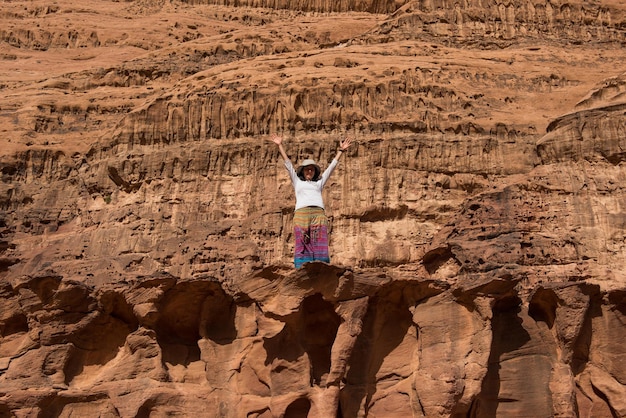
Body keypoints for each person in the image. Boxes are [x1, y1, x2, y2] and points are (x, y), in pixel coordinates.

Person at [271, 133, 353, 268]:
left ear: (315, 172)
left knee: (319, 239)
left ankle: (320, 268)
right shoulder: (297, 182)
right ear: (302, 172)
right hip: (302, 214)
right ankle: (303, 269)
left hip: (318, 214)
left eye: (312, 169)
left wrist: (341, 151)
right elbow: (288, 165)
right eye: (307, 169)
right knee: (302, 240)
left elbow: (331, 168)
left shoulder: (319, 183)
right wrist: (280, 145)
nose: (309, 171)